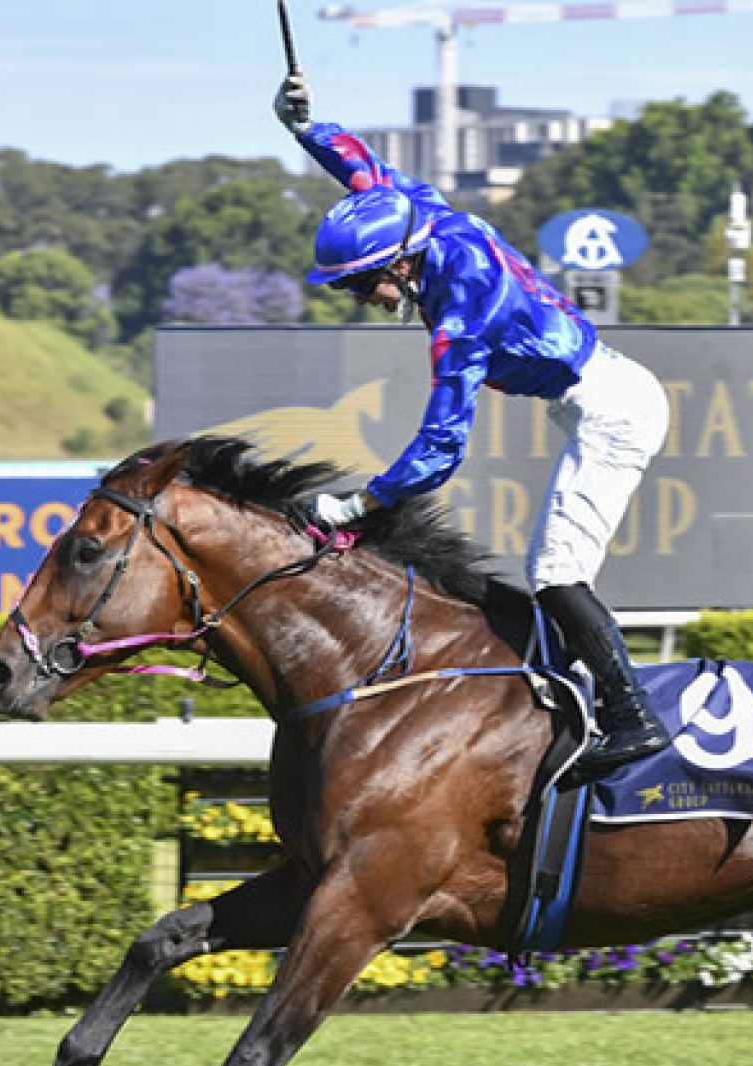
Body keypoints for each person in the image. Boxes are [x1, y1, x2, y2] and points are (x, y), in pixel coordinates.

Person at [272, 69, 671, 781]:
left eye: (365, 284)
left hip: (613, 409)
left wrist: (359, 503)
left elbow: (442, 445)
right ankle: (562, 700)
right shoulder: (421, 216)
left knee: (555, 573)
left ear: (399, 261)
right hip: (598, 394)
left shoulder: (461, 308)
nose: (365, 299)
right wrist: (308, 126)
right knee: (552, 569)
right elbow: (366, 171)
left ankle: (632, 717)